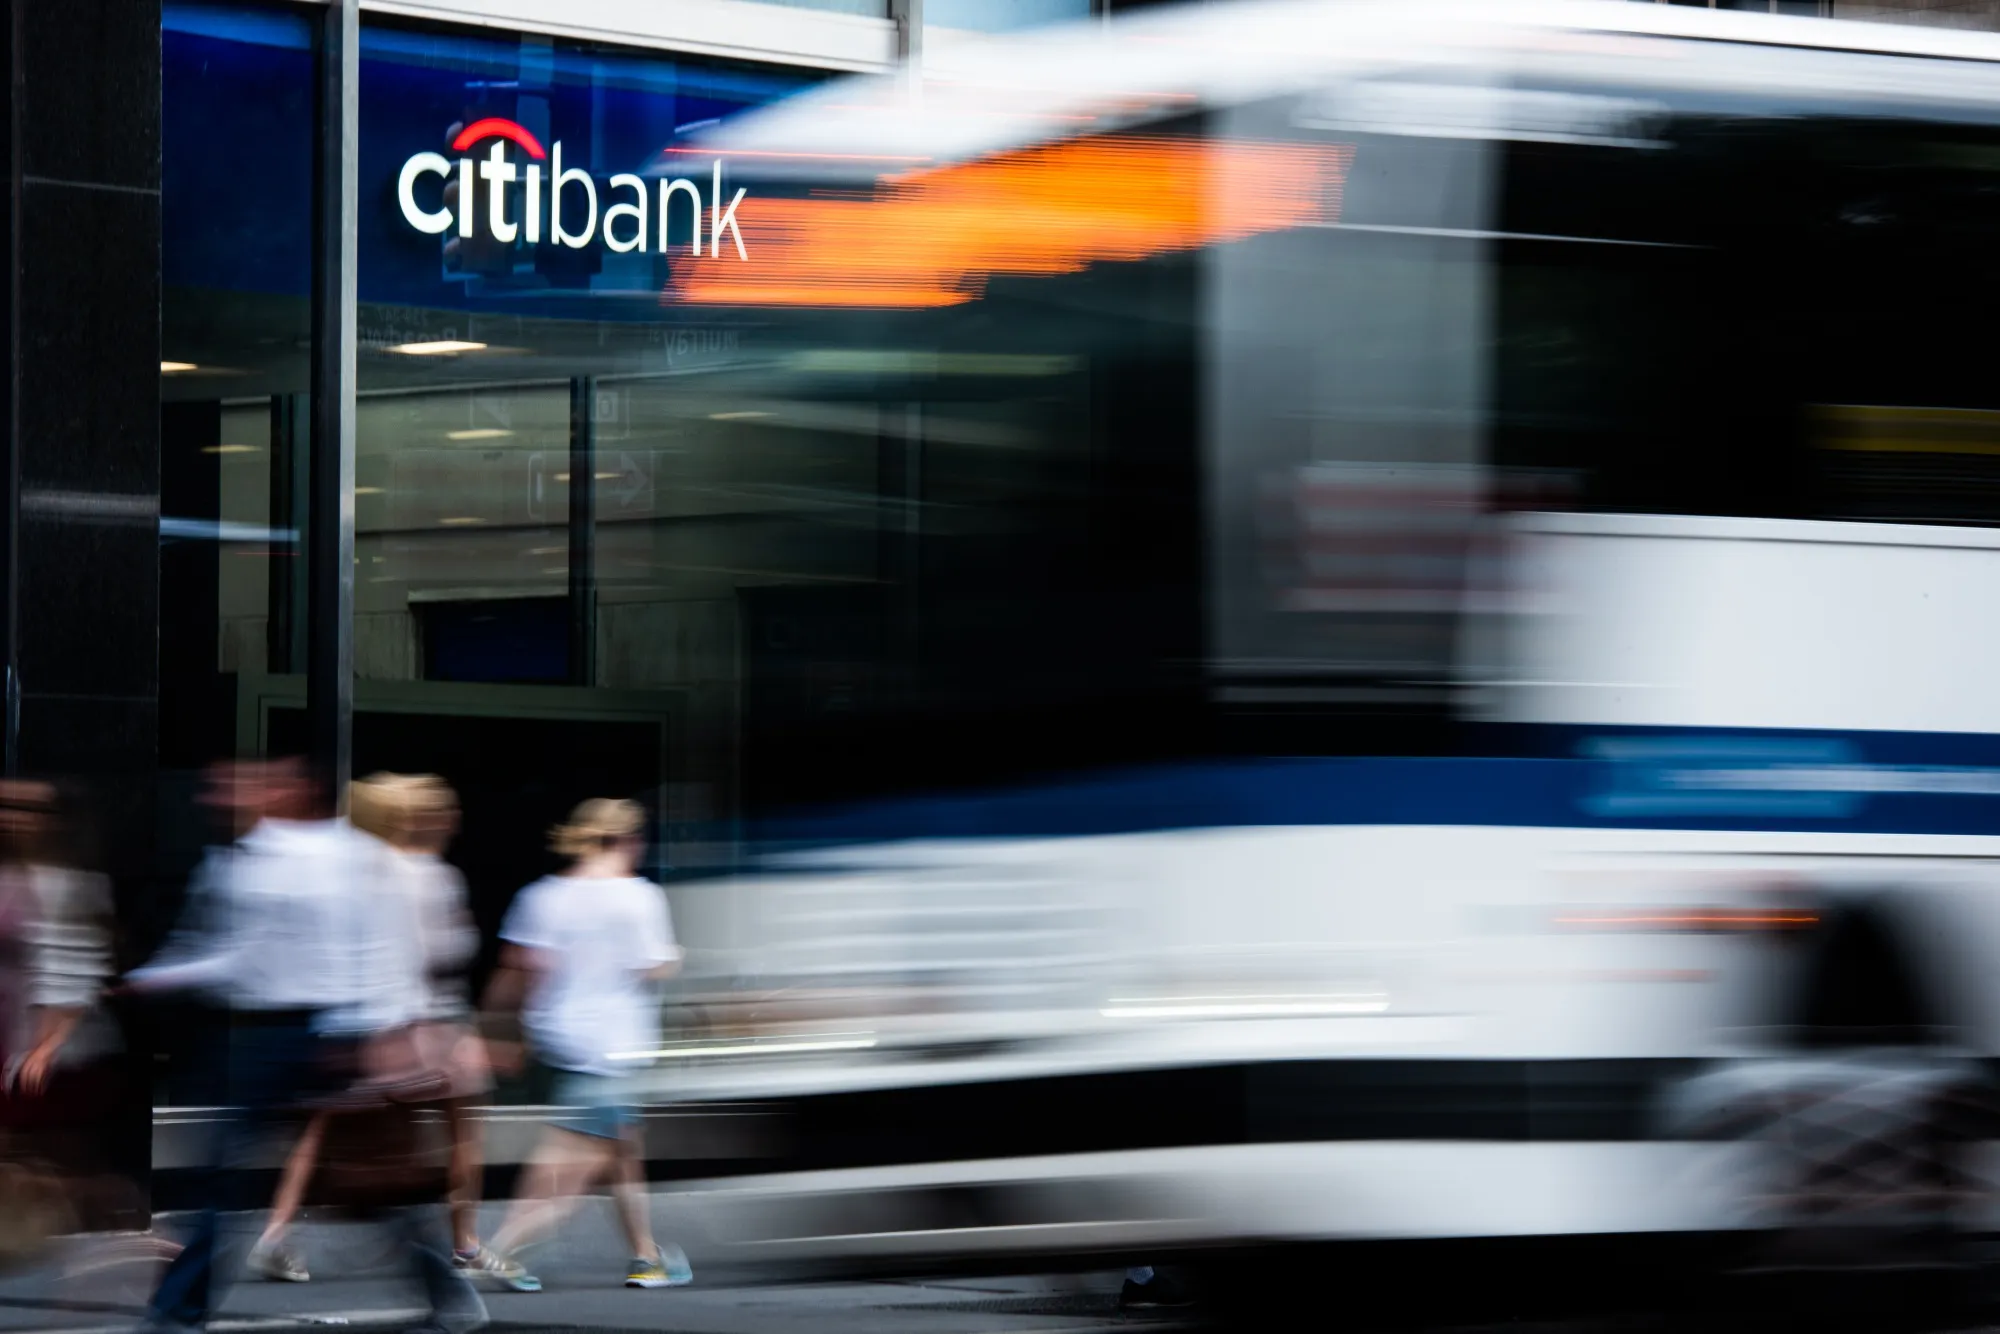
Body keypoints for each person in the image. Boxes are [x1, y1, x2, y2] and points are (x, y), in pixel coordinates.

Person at [122, 757, 485, 1334]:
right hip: (260, 1034)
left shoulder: (349, 856)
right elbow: (231, 953)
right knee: (222, 1177)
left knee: (370, 1176)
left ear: (298, 791)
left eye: (257, 782)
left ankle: (444, 1285)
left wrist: (381, 1031)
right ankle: (177, 1313)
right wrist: (154, 978)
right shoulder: (240, 862)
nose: (231, 795)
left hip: (332, 1031)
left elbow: (381, 945)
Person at [246, 774, 496, 1283]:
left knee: (323, 1130)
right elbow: (441, 954)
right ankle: (463, 1243)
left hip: (353, 1023)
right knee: (457, 1137)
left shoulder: (354, 872)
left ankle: (275, 1232)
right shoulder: (432, 876)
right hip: (423, 1025)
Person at [474, 798, 689, 1293]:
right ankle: (503, 1247)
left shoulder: (544, 896)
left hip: (561, 1040)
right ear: (632, 841)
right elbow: (653, 964)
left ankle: (646, 1255)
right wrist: (675, 958)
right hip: (614, 1048)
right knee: (572, 1164)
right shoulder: (640, 897)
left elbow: (519, 969)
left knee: (622, 1153)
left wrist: (495, 1033)